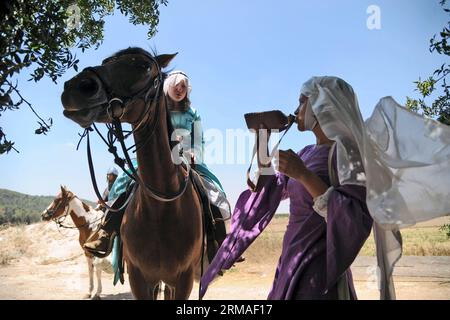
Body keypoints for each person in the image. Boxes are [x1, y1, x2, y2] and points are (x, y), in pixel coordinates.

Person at [200, 76, 375, 300]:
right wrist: (263, 136)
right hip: (291, 259)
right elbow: (268, 189)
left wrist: (303, 174)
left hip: (318, 267)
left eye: (302, 102)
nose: (296, 109)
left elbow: (352, 218)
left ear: (322, 106)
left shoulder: (348, 155)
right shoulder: (306, 153)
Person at [83, 71, 231, 258]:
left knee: (211, 191)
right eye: (176, 85)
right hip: (153, 158)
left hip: (185, 159)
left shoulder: (193, 113)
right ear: (167, 86)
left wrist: (194, 151)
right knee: (125, 184)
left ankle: (220, 242)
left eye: (183, 87)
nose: (179, 89)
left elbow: (199, 139)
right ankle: (106, 231)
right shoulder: (154, 109)